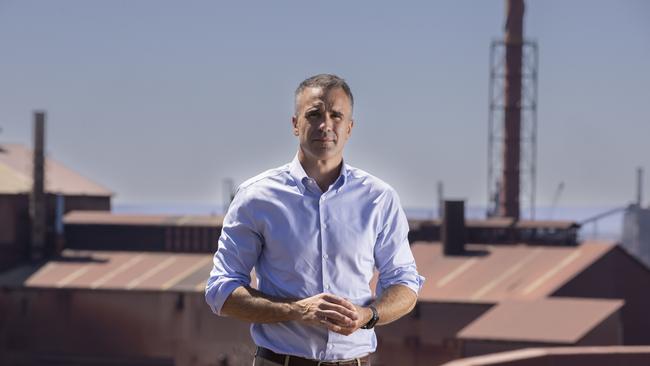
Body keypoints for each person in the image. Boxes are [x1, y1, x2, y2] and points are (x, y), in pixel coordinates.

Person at [205, 74, 424, 366]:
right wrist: (298, 310)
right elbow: (222, 291)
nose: (326, 125)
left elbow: (405, 284)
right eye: (314, 114)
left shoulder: (379, 199)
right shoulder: (256, 198)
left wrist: (367, 316)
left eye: (336, 115)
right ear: (295, 124)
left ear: (350, 127)